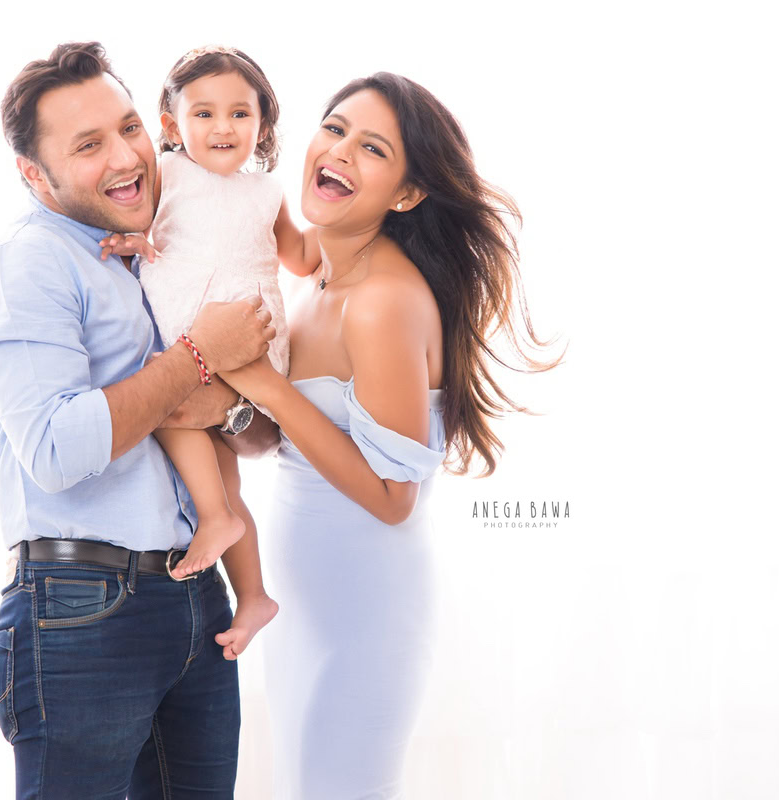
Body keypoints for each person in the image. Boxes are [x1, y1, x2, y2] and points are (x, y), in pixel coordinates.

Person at [218, 73, 562, 798]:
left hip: (361, 622)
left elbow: (392, 495)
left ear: (407, 195)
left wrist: (261, 380)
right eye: (335, 127)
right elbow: (294, 440)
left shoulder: (380, 302)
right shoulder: (320, 275)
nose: (339, 151)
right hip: (306, 612)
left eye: (372, 148)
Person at [0, 41, 279, 799]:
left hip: (195, 598)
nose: (127, 155)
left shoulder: (158, 248)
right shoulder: (27, 264)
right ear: (33, 173)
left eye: (129, 127)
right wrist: (199, 357)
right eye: (88, 145)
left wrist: (226, 396)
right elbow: (58, 452)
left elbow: (263, 437)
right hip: (83, 612)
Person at [99, 44, 316, 654]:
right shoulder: (169, 174)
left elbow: (301, 257)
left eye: (240, 115)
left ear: (263, 126)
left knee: (175, 413)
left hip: (247, 332)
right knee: (218, 472)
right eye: (204, 114)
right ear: (171, 126)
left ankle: (220, 524)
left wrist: (356, 224)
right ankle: (254, 596)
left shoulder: (268, 192)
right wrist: (131, 242)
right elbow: (141, 223)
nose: (224, 128)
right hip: (187, 324)